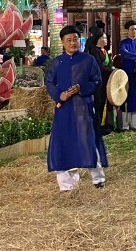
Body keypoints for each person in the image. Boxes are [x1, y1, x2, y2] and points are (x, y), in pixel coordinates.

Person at [46, 26, 107, 191]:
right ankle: (66, 184)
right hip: (64, 109)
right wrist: (59, 95)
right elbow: (49, 83)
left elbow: (97, 81)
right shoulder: (57, 62)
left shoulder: (88, 60)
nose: (73, 43)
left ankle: (98, 179)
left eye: (75, 39)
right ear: (62, 43)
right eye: (69, 40)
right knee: (63, 143)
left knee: (87, 140)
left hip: (83, 108)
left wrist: (81, 88)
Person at [88, 33, 117, 135]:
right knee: (99, 103)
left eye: (106, 38)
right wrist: (111, 70)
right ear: (98, 39)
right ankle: (97, 127)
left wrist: (113, 69)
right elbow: (99, 66)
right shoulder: (94, 51)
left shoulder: (105, 52)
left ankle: (104, 124)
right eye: (103, 38)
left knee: (105, 103)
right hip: (99, 82)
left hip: (107, 81)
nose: (106, 39)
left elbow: (110, 64)